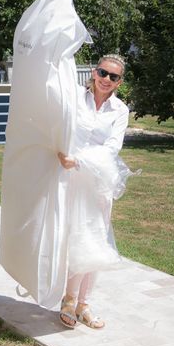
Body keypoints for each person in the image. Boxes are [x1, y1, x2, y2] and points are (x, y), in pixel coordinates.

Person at [56, 54, 129, 329]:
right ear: (94, 72)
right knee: (75, 236)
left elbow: (112, 147)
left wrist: (80, 160)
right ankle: (68, 299)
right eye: (103, 73)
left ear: (119, 82)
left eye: (114, 77)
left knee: (95, 239)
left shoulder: (120, 110)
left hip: (98, 180)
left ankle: (84, 303)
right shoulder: (75, 97)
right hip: (70, 179)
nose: (106, 80)